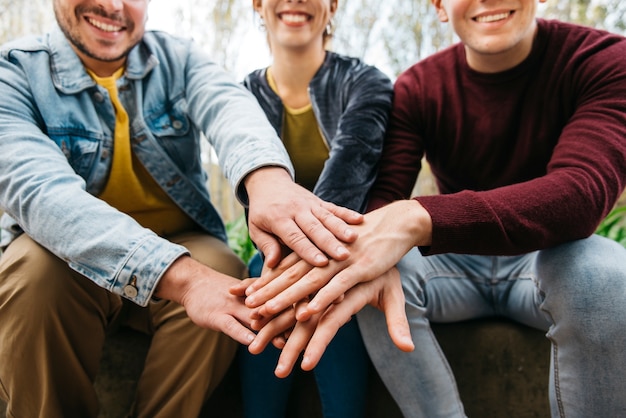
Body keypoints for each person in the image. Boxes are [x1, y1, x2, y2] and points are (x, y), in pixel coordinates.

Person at [242, 0, 626, 416]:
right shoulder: (419, 86)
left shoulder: (603, 60)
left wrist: (417, 216)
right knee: (375, 272)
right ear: (440, 6)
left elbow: (581, 193)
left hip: (551, 259)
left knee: (600, 275)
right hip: (453, 267)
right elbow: (383, 197)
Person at [0, 0, 366, 416]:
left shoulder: (180, 58)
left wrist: (267, 180)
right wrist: (187, 282)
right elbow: (41, 194)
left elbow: (230, 109)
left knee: (225, 273)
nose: (113, 6)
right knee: (32, 272)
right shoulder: (12, 74)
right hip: (61, 256)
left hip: (178, 237)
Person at [235, 0, 393, 416]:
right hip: (274, 255)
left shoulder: (366, 83)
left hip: (346, 242)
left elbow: (352, 171)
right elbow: (256, 201)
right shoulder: (242, 97)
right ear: (257, 5)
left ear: (333, 5)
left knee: (328, 275)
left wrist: (306, 261)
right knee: (259, 271)